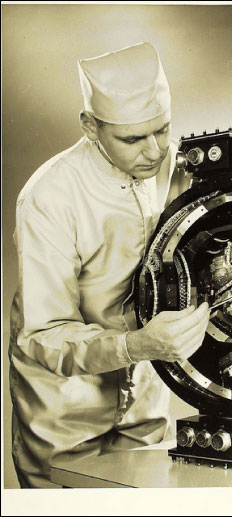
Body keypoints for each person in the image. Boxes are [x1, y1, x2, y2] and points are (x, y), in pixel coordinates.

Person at [9, 42, 210, 488]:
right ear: (90, 126)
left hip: (148, 392)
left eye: (162, 130)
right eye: (132, 139)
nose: (155, 151)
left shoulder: (176, 164)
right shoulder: (49, 197)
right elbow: (43, 334)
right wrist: (135, 346)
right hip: (64, 406)